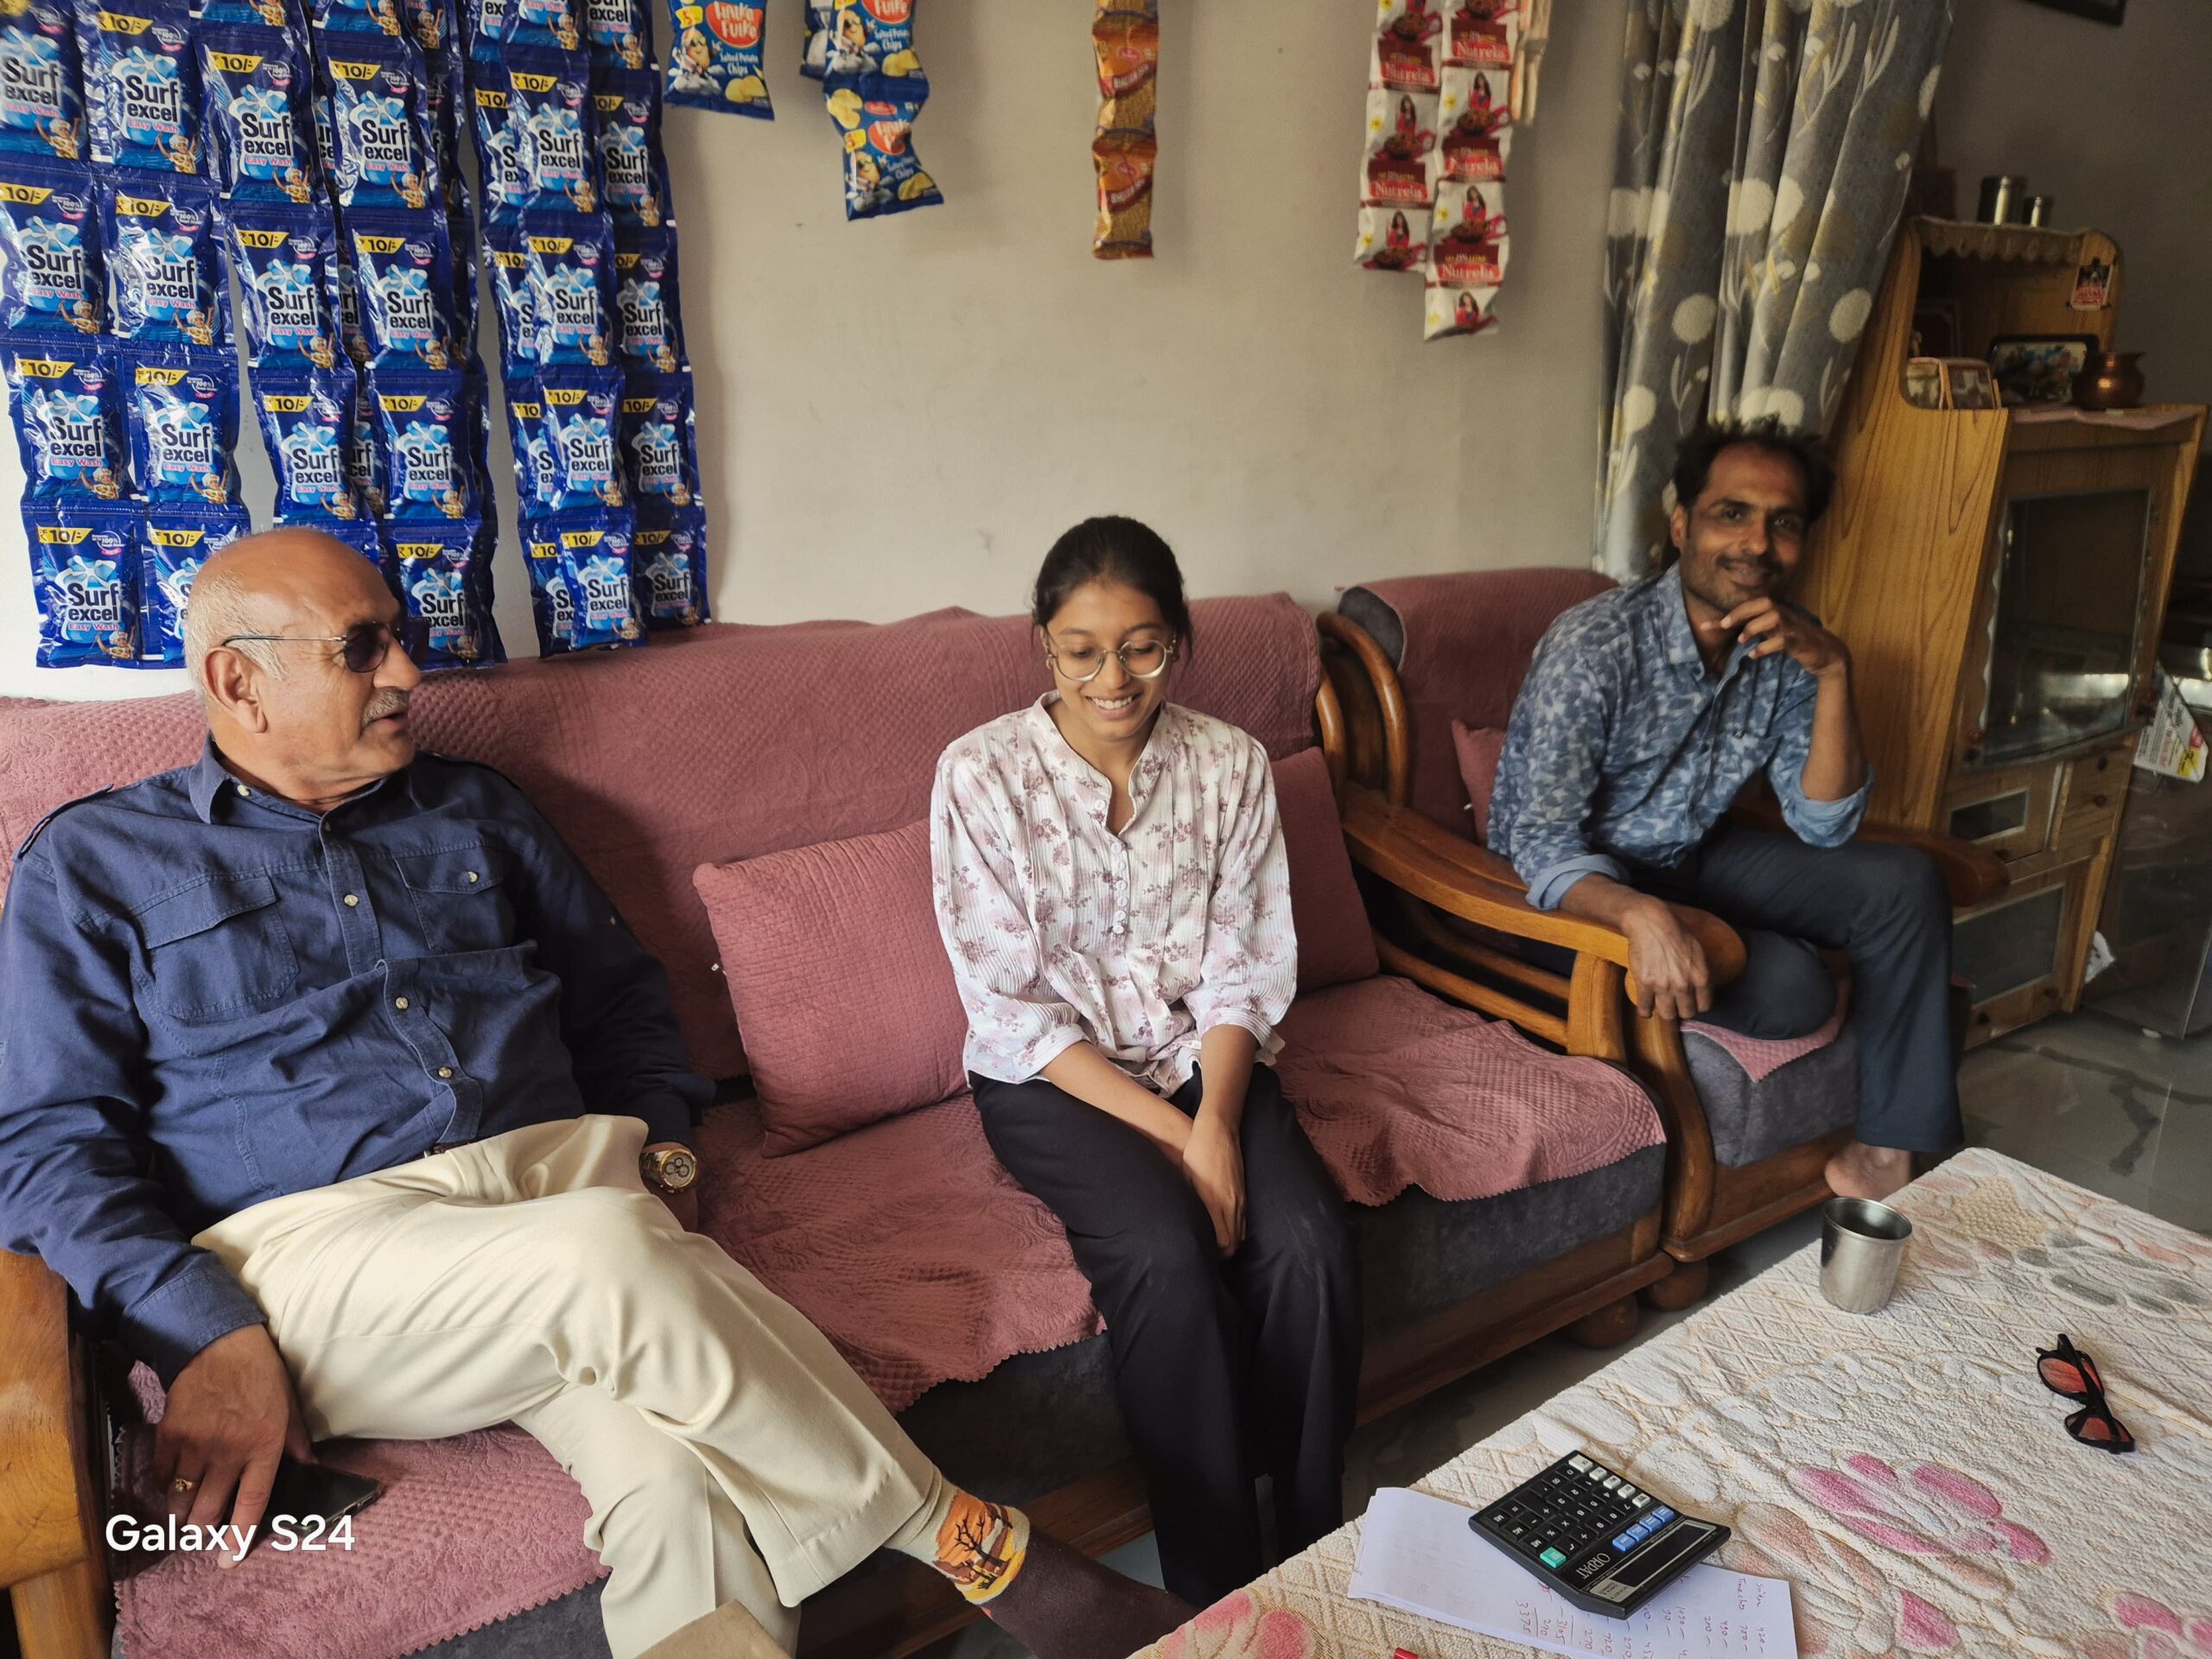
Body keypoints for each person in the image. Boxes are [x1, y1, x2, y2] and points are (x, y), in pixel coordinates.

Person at [0, 528, 1190, 1659]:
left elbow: (623, 1001)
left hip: (569, 1194)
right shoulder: (96, 864)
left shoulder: (476, 807)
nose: (407, 673)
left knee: (680, 1488)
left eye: (399, 638)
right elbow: (49, 1145)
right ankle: (986, 1553)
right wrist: (202, 1332)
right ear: (237, 682)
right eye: (363, 648)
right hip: (322, 1260)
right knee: (598, 1250)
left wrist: (664, 1150)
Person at [929, 517, 1361, 1608]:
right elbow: (1010, 1004)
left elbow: (1244, 965)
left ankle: (1313, 1543)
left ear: (1178, 640)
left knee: (1307, 1244)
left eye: (1141, 647)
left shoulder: (1230, 764)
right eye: (1081, 651)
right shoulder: (980, 775)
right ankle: (1219, 1597)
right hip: (1051, 1075)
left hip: (1200, 1056)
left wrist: (1215, 1120)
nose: (1111, 679)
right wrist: (1184, 1141)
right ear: (1042, 643)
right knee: (1166, 1257)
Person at [1488, 419, 1956, 1204]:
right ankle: (1719, 939)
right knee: (1795, 994)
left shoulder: (1794, 646)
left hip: (1695, 853)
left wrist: (1833, 671)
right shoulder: (1596, 645)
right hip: (1579, 887)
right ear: (1682, 526)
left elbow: (1824, 825)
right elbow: (1537, 840)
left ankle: (1887, 1149)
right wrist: (1640, 916)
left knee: (1905, 882)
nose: (1757, 544)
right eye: (1731, 514)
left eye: (1784, 522)